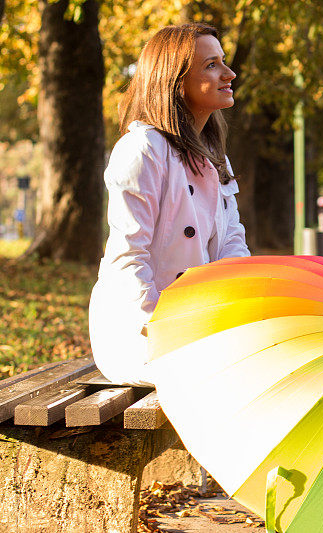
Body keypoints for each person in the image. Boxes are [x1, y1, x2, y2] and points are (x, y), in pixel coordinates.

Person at [89, 23, 250, 386]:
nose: (229, 73)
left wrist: (237, 311)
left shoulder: (216, 157)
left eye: (223, 61)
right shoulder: (143, 150)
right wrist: (159, 327)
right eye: (211, 65)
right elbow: (129, 258)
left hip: (200, 324)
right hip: (138, 333)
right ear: (176, 82)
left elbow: (231, 244)